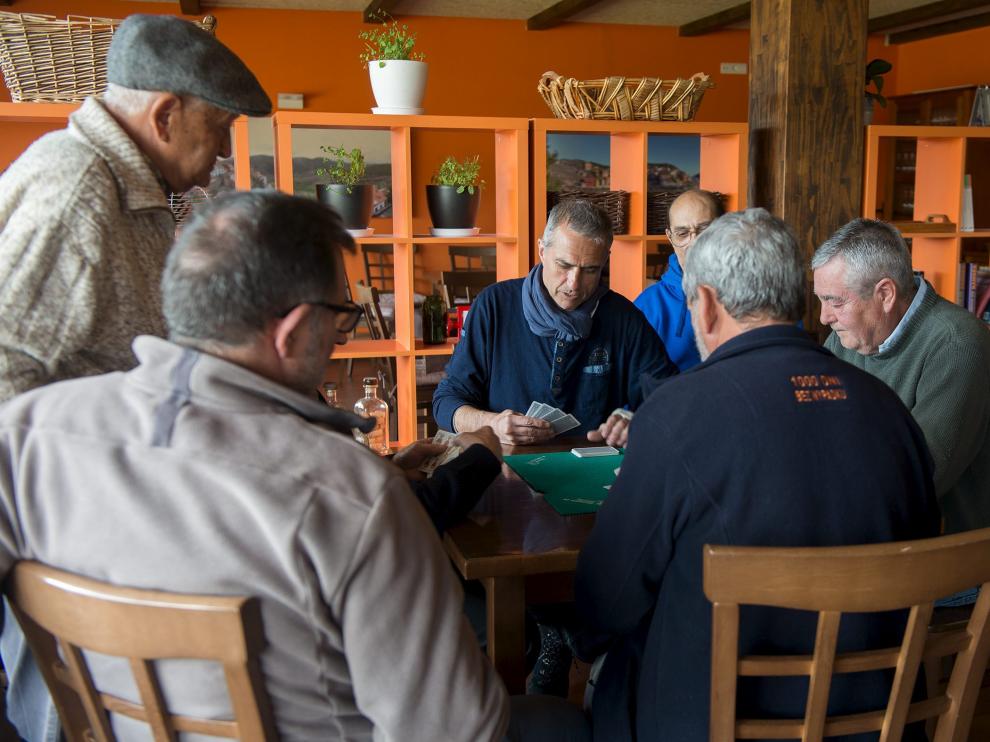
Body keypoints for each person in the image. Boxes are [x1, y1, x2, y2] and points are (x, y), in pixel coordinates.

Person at [0, 191, 514, 740]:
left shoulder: (25, 432)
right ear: (292, 331)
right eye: (341, 318)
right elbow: (459, 731)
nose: (341, 337)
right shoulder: (353, 495)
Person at [0, 15, 273, 740]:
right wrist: (79, 515)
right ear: (164, 114)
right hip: (61, 538)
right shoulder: (76, 190)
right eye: (217, 130)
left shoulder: (128, 188)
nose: (220, 154)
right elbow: (3, 375)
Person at [575, 208, 940, 742]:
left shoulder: (676, 414)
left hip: (717, 725)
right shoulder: (889, 411)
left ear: (704, 304)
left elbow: (602, 606)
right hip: (878, 721)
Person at [433, 199, 676, 447]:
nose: (574, 283)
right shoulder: (494, 305)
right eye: (564, 265)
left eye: (591, 270)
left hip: (592, 472)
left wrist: (635, 420)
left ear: (605, 260)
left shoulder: (623, 318)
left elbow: (671, 399)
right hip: (505, 465)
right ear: (541, 250)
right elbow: (446, 403)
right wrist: (492, 424)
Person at [812, 218, 990, 535]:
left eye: (835, 301)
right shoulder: (848, 336)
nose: (824, 317)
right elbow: (808, 424)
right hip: (870, 535)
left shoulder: (959, 345)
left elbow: (917, 477)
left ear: (885, 294)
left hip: (943, 559)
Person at [634, 189, 725, 371]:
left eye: (704, 230)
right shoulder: (648, 306)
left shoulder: (754, 296)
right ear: (670, 237)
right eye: (682, 234)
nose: (694, 243)